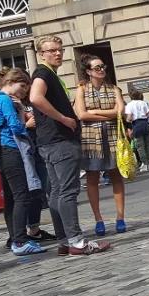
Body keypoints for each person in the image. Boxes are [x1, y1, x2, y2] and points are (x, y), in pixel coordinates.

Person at [29, 36, 110, 255]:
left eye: (60, 49)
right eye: (52, 50)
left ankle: (64, 240)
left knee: (57, 191)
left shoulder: (50, 74)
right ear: (41, 53)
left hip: (50, 142)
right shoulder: (43, 73)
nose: (57, 53)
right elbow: (35, 97)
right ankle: (76, 240)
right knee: (67, 191)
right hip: (59, 141)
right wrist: (63, 119)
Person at [0, 69, 46, 255]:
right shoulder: (4, 100)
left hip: (1, 152)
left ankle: (15, 237)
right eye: (22, 86)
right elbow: (15, 126)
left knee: (11, 198)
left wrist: (20, 108)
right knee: (22, 195)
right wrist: (25, 121)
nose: (24, 91)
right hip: (12, 149)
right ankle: (20, 241)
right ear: (11, 82)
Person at [73, 55, 127, 236]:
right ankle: (98, 219)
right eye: (97, 68)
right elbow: (81, 115)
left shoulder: (113, 89)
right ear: (88, 71)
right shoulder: (81, 90)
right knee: (92, 179)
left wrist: (94, 111)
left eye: (103, 66)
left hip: (112, 136)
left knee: (116, 176)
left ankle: (120, 217)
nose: (102, 69)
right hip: (90, 138)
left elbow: (120, 111)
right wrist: (108, 114)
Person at [124, 91, 149, 172]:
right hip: (145, 123)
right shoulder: (143, 103)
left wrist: (129, 121)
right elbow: (148, 113)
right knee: (148, 144)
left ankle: (145, 164)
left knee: (140, 146)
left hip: (137, 124)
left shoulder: (129, 105)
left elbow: (129, 117)